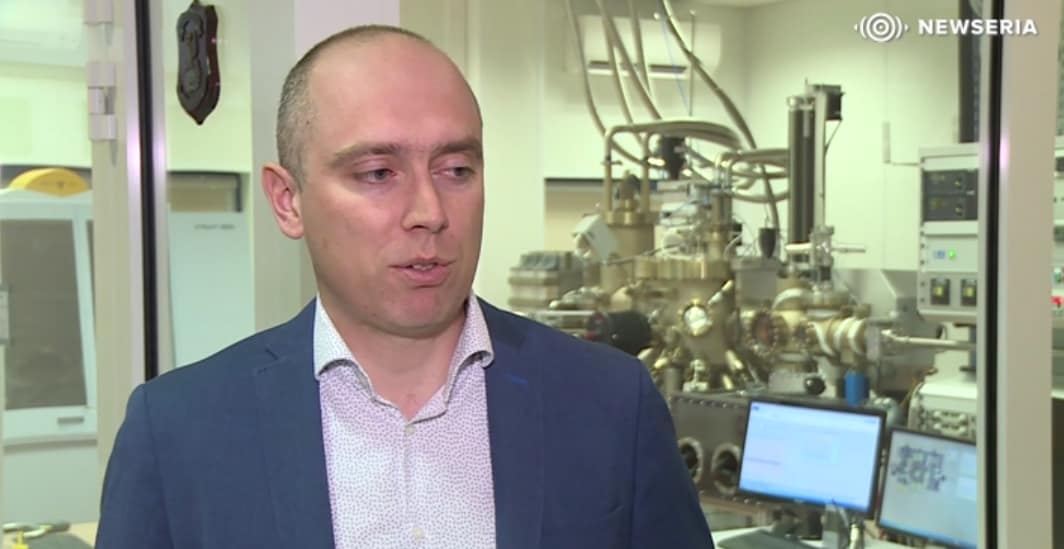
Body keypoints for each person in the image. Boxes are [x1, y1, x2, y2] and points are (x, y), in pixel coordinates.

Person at [95, 24, 714, 549]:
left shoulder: (611, 404)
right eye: (377, 173)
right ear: (288, 201)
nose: (429, 211)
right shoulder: (178, 432)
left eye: (457, 170)